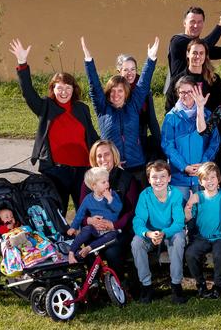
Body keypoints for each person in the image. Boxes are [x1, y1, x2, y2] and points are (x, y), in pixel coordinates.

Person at [9, 39, 98, 213]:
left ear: (74, 89)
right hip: (55, 171)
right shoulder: (45, 106)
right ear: (53, 89)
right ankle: (60, 241)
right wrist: (22, 63)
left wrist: (108, 155)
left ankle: (85, 240)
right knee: (57, 212)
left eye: (68, 88)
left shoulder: (82, 109)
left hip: (82, 170)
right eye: (59, 88)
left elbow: (92, 136)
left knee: (86, 211)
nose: (64, 92)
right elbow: (28, 92)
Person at [82, 36, 159, 187]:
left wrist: (151, 59)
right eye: (113, 91)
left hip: (136, 164)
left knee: (138, 206)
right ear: (108, 93)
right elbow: (94, 86)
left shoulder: (134, 105)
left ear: (126, 93)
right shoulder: (102, 108)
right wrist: (89, 61)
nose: (116, 95)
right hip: (112, 167)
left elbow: (143, 84)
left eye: (120, 91)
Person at [79, 140, 138, 278]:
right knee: (87, 251)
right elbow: (82, 213)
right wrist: (90, 220)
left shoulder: (127, 179)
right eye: (99, 156)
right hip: (96, 230)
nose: (103, 159)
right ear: (94, 159)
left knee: (112, 252)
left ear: (114, 156)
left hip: (120, 230)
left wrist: (114, 225)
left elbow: (133, 211)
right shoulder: (88, 182)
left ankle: (118, 285)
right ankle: (94, 287)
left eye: (107, 155)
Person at [131, 160, 187, 304]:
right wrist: (148, 234)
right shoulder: (145, 195)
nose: (159, 180)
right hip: (151, 234)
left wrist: (163, 233)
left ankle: (176, 284)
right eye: (154, 177)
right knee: (136, 242)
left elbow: (179, 223)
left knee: (179, 239)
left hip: (169, 232)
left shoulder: (175, 194)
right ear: (149, 180)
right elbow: (138, 221)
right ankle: (146, 285)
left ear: (169, 178)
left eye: (163, 176)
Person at [184, 162, 221, 299]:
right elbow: (188, 218)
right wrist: (188, 210)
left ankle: (219, 285)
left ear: (219, 179)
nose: (209, 181)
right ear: (200, 181)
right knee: (190, 254)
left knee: (220, 255)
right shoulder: (198, 197)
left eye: (213, 177)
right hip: (203, 237)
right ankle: (201, 284)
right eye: (206, 178)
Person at [161, 76, 221, 203]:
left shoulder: (207, 114)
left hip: (203, 176)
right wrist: (184, 166)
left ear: (196, 91)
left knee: (202, 214)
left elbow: (215, 142)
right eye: (182, 92)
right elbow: (168, 146)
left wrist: (204, 163)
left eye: (189, 91)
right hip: (180, 178)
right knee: (181, 215)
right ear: (178, 93)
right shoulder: (171, 117)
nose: (186, 95)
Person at [67, 167, 122, 264]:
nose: (107, 184)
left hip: (110, 230)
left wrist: (110, 199)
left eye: (107, 181)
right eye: (103, 182)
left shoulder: (112, 194)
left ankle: (89, 248)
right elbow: (80, 213)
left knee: (112, 236)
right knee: (86, 230)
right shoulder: (88, 199)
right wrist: (73, 227)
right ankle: (71, 252)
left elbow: (118, 209)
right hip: (96, 229)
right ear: (94, 186)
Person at [116, 53, 163, 161]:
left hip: (141, 135)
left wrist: (160, 142)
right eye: (125, 70)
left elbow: (151, 118)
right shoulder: (114, 91)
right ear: (119, 71)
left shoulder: (143, 88)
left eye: (133, 69)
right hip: (122, 140)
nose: (130, 73)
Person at [168, 6, 221, 79]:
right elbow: (204, 45)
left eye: (199, 22)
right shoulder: (178, 41)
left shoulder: (201, 47)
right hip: (179, 88)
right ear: (184, 23)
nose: (196, 25)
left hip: (196, 88)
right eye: (192, 22)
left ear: (203, 24)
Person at [165, 39, 221, 114]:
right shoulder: (177, 80)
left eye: (201, 53)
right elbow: (169, 108)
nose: (198, 56)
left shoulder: (214, 79)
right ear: (188, 54)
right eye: (194, 53)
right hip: (184, 123)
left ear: (205, 56)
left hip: (208, 122)